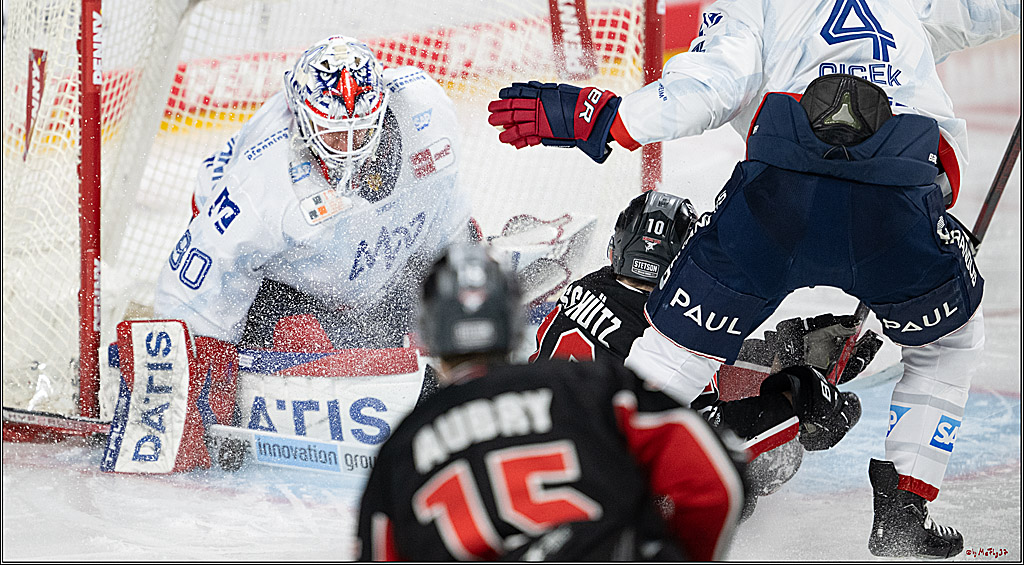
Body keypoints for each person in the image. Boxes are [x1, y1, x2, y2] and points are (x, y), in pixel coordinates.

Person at [487, 0, 1021, 558]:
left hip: (776, 202)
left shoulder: (752, 2)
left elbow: (708, 91)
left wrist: (603, 119)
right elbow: (981, 4)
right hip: (899, 205)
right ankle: (904, 509)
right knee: (948, 343)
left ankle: (581, 491)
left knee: (671, 354)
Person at [356, 243, 746, 561]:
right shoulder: (592, 389)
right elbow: (716, 480)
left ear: (429, 333)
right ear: (512, 322)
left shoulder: (400, 450)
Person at [529, 188, 877, 513]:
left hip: (545, 455)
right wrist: (797, 401)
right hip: (611, 496)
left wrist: (777, 356)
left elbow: (672, 365)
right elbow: (708, 436)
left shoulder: (590, 284)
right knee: (774, 461)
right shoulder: (666, 327)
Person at [154, 35, 471, 350]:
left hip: (358, 269)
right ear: (301, 116)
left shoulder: (424, 108)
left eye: (361, 131)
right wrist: (203, 352)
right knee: (302, 338)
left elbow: (444, 206)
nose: (348, 149)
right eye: (333, 133)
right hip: (277, 277)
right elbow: (192, 296)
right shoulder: (263, 177)